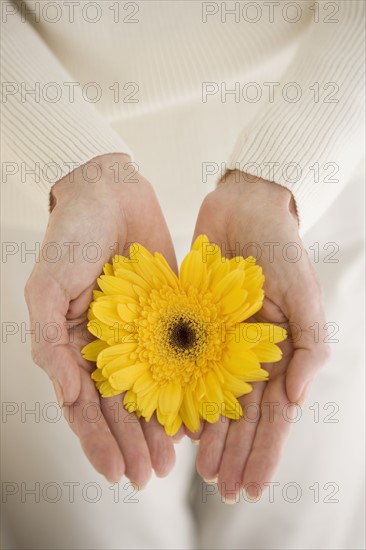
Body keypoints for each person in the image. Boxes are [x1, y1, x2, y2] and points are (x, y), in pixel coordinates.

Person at [1, 1, 364, 548]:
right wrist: (69, 165)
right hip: (52, 227)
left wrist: (286, 172)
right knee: (95, 530)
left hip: (308, 197)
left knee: (292, 528)